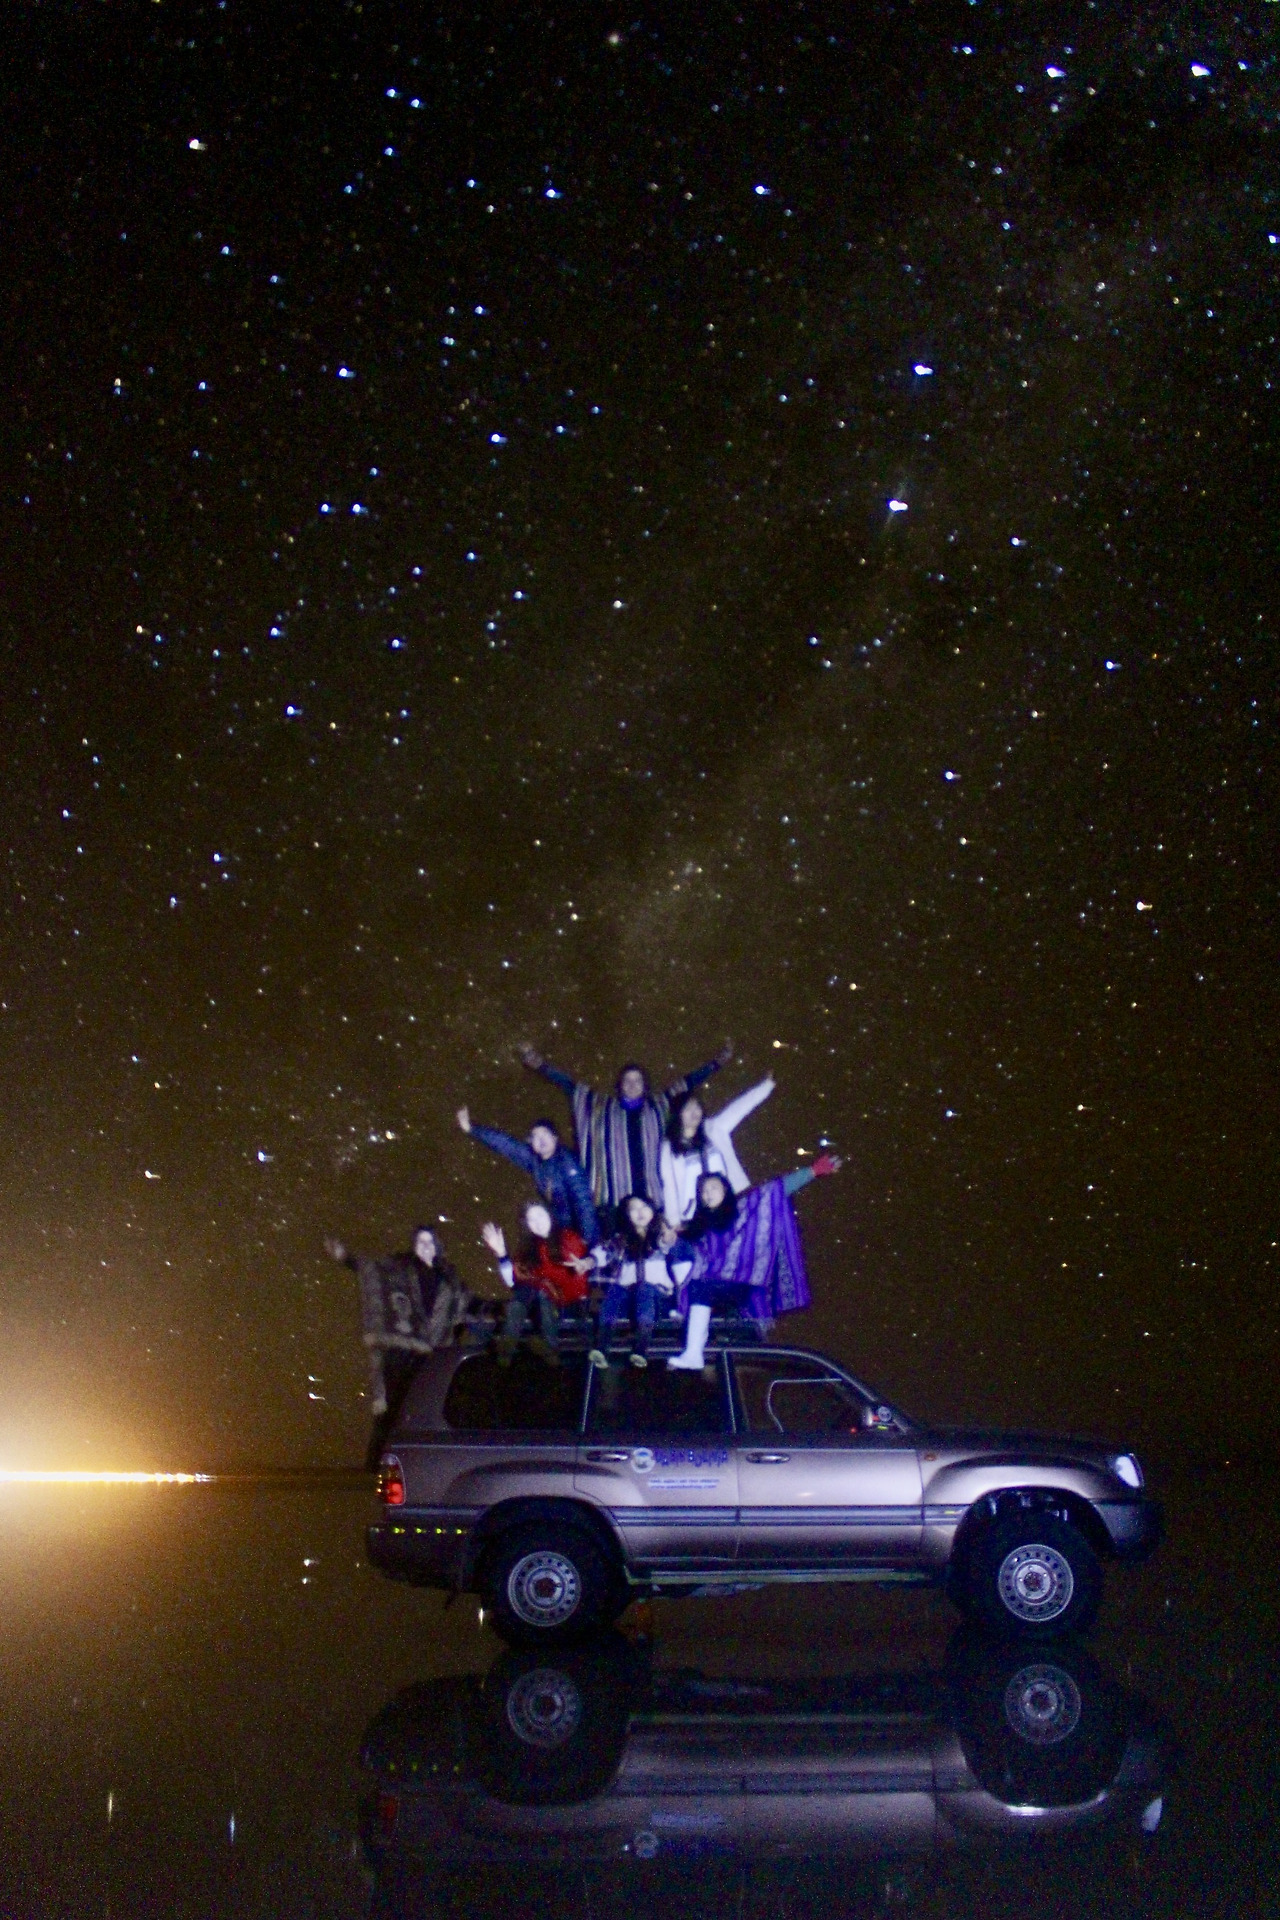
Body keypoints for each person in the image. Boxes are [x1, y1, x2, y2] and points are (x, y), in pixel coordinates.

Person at [517, 1037, 735, 1229]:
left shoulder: (658, 1106)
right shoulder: (600, 1107)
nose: (632, 1084)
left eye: (638, 1080)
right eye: (627, 1080)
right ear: (619, 1085)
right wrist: (540, 1065)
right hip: (611, 1207)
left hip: (652, 1204)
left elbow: (688, 1082)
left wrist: (717, 1063)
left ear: (645, 1085)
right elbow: (569, 1086)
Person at [666, 1154, 843, 1370]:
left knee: (702, 1286)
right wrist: (669, 1238)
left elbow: (776, 1190)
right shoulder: (698, 1226)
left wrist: (812, 1171)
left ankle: (693, 1351)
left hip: (741, 1284)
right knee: (686, 1261)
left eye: (713, 1188)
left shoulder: (742, 1209)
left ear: (725, 1189)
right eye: (703, 1191)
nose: (708, 1193)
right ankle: (689, 1330)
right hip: (711, 1288)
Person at [325, 1225, 473, 1466]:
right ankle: (376, 1466)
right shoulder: (400, 1271)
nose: (425, 1246)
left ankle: (412, 1465)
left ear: (437, 1247)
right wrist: (345, 1257)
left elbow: (467, 1306)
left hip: (431, 1356)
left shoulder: (449, 1280)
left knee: (422, 1411)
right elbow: (372, 1270)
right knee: (391, 1409)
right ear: (414, 1246)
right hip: (401, 1351)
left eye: (430, 1242)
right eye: (420, 1242)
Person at [457, 1107, 598, 1245]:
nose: (541, 1139)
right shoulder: (535, 1161)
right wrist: (471, 1129)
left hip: (581, 1235)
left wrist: (587, 1241)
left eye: (545, 1134)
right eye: (535, 1136)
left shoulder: (567, 1163)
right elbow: (506, 1144)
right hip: (560, 1233)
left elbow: (583, 1202)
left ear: (555, 1137)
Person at [659, 1073, 776, 1226]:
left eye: (697, 1107)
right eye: (687, 1108)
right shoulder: (669, 1147)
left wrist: (766, 1086)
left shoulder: (714, 1128)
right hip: (695, 1214)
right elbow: (669, 1185)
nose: (694, 1112)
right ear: (677, 1114)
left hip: (732, 1202)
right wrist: (674, 1221)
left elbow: (739, 1108)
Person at [482, 1201, 592, 1363]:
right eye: (531, 1220)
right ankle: (506, 1352)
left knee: (542, 1292)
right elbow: (514, 1282)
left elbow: (581, 1270)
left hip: (569, 1300)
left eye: (540, 1215)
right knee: (523, 1295)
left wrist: (584, 1264)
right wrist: (502, 1254)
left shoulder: (568, 1237)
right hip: (542, 1301)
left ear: (550, 1215)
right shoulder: (531, 1249)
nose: (537, 1222)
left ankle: (550, 1353)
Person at [586, 1194, 678, 1371]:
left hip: (659, 1300)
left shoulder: (658, 1235)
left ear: (652, 1210)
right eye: (633, 1209)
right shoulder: (622, 1240)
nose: (640, 1212)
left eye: (644, 1207)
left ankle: (641, 1348)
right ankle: (601, 1348)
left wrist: (669, 1239)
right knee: (614, 1289)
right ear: (627, 1215)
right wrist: (589, 1261)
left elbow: (666, 1243)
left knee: (644, 1288)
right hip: (631, 1299)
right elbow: (605, 1251)